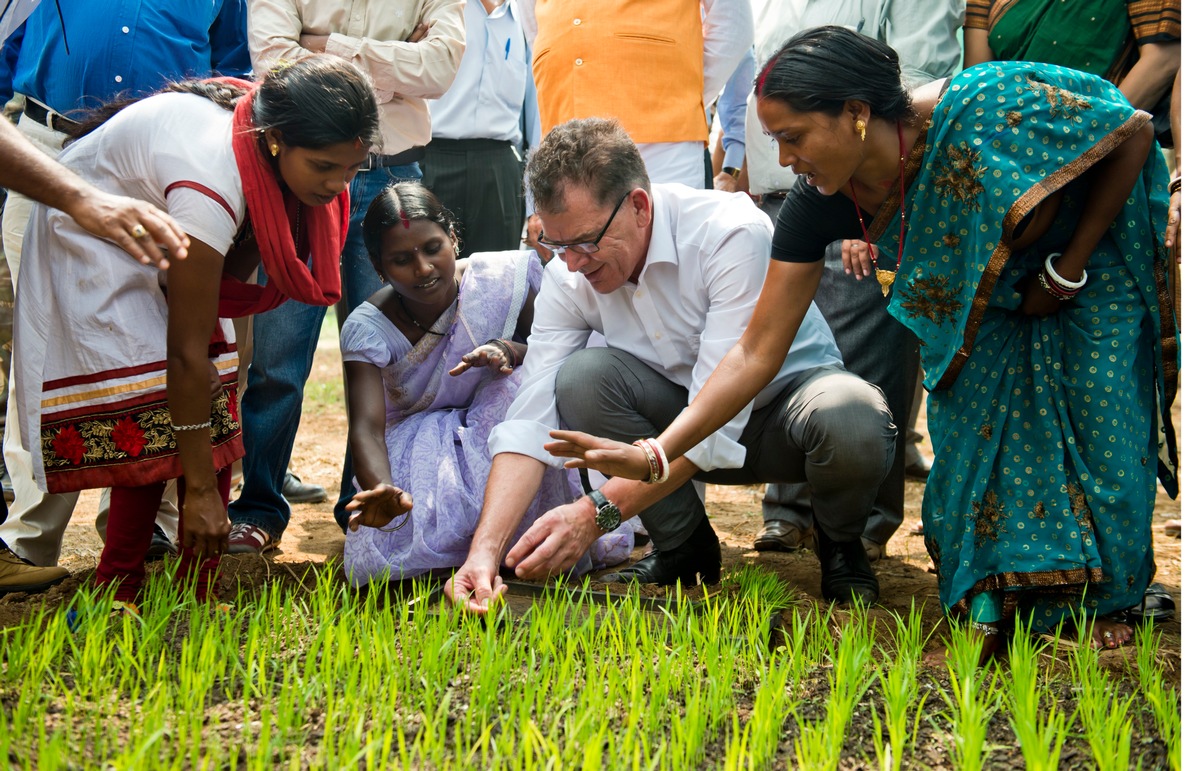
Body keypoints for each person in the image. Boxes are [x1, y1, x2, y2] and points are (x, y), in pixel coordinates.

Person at [550, 28, 1178, 656]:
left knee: (1099, 418)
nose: (786, 159)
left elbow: (1133, 134)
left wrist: (1067, 268)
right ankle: (1011, 585)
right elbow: (754, 352)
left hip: (1091, 267)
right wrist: (658, 454)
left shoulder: (981, 105)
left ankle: (1113, 596)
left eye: (793, 137)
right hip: (991, 302)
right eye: (775, 142)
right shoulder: (820, 203)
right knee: (976, 433)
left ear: (855, 114)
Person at [445, 117, 894, 613]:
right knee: (581, 380)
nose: (572, 263)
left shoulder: (728, 233)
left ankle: (840, 542)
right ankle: (685, 548)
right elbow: (530, 420)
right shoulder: (569, 276)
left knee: (853, 417)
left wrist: (595, 516)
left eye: (586, 242)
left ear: (638, 205)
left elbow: (722, 407)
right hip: (672, 439)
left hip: (788, 416)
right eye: (557, 245)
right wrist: (481, 555)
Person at [12, 55, 380, 604]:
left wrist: (203, 354)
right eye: (325, 167)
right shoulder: (212, 177)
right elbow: (183, 355)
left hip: (164, 236)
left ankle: (197, 584)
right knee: (153, 404)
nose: (339, 185)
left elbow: (207, 306)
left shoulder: (266, 154)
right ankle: (120, 587)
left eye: (353, 168)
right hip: (91, 237)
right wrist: (206, 496)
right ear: (277, 141)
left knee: (213, 386)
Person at [227, 0, 466, 554]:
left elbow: (440, 69)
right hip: (298, 179)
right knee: (278, 360)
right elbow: (272, 65)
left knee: (388, 361)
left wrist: (324, 48)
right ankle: (259, 507)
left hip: (392, 176)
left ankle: (361, 505)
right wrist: (392, 66)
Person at [340, 182, 632, 584]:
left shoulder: (504, 276)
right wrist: (382, 486)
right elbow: (367, 427)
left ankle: (513, 541)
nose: (423, 268)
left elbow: (559, 355)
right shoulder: (368, 329)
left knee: (514, 390)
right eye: (402, 259)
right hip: (419, 451)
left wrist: (510, 350)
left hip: (498, 425)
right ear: (378, 267)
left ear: (453, 238)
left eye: (431, 248)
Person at [0, 114, 189, 596]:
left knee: (150, 376)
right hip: (45, 149)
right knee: (41, 362)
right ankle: (26, 541)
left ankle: (145, 535)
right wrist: (77, 194)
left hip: (164, 173)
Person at [421, 0, 540, 259]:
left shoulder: (526, 16)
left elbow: (536, 115)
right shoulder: (440, 7)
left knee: (497, 278)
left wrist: (536, 204)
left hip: (500, 169)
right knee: (426, 277)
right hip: (430, 158)